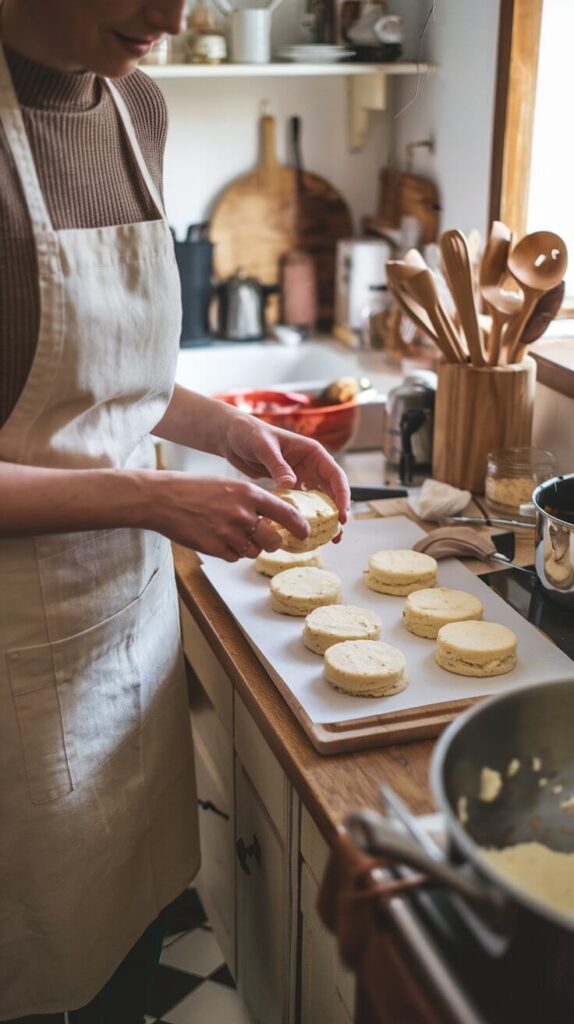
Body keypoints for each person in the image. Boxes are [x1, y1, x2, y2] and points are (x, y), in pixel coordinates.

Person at [0, 1, 350, 1021]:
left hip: (129, 618)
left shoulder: (136, 105)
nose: (180, 12)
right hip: (14, 650)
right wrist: (154, 492)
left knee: (131, 937)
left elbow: (116, 379)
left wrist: (232, 430)